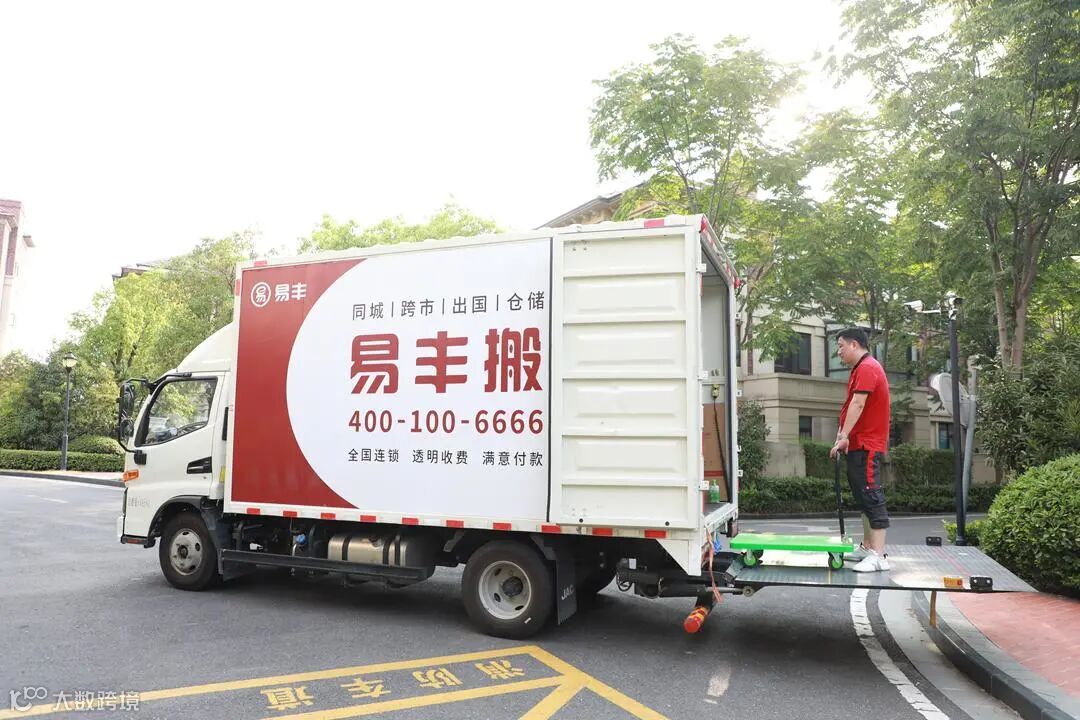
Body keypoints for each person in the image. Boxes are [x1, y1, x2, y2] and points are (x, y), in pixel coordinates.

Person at [829, 328, 891, 572]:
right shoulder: (859, 369)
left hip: (867, 444)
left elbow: (858, 403)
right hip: (857, 444)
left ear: (854, 344)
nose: (839, 351)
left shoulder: (867, 367)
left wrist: (843, 436)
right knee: (863, 497)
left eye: (841, 346)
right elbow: (850, 407)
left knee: (871, 495)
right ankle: (867, 547)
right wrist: (843, 436)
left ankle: (879, 556)